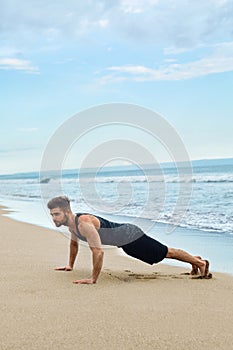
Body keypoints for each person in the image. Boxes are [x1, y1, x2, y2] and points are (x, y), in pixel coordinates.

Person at [47, 196, 212, 284]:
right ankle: (194, 261)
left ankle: (202, 264)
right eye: (52, 214)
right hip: (125, 242)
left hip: (131, 236)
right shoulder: (72, 226)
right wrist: (70, 265)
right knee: (161, 254)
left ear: (67, 212)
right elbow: (74, 244)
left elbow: (98, 252)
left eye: (56, 214)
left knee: (165, 253)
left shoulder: (84, 224)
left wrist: (93, 279)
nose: (53, 218)